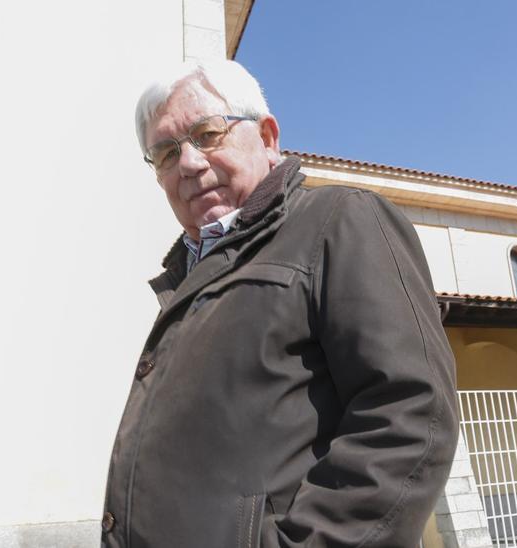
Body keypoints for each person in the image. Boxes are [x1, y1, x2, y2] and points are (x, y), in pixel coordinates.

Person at [101, 59, 459, 547]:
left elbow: (409, 412)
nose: (187, 163)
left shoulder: (339, 220)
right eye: (164, 153)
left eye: (207, 134)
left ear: (268, 138)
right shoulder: (187, 278)